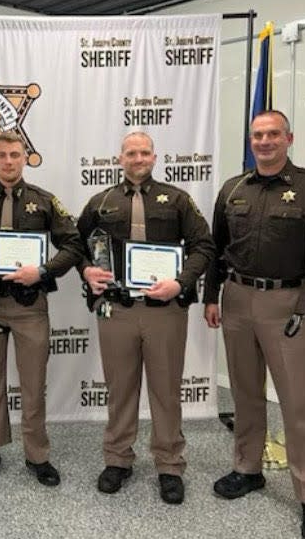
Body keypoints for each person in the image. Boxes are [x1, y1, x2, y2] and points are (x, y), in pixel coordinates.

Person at [203, 110, 305, 539]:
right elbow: (217, 248)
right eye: (258, 135)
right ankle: (247, 468)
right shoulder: (233, 189)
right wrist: (211, 295)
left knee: (298, 403)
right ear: (250, 140)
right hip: (238, 298)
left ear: (289, 138)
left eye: (273, 134)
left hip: (287, 303)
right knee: (245, 393)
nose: (264, 141)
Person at [76, 131, 215, 503]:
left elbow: (204, 246)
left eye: (144, 152)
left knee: (166, 390)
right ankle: (118, 459)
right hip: (117, 309)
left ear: (155, 158)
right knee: (120, 390)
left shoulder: (178, 200)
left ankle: (169, 464)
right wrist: (87, 270)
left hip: (165, 310)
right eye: (130, 152)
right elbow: (74, 244)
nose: (137, 158)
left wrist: (181, 281)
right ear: (119, 158)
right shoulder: (100, 202)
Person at [0, 131, 83, 487]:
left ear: (24, 157)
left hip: (30, 307)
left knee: (33, 384)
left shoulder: (44, 201)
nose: (8, 161)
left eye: (14, 154)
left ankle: (37, 455)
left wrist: (43, 271)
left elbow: (73, 245)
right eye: (1, 155)